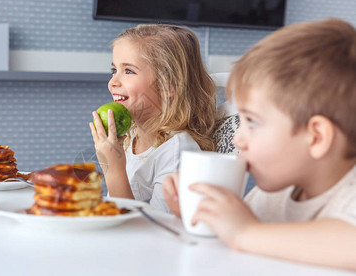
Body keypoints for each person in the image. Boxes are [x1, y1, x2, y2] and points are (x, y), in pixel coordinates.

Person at [162, 18, 356, 270]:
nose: (237, 138)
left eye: (251, 121)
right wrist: (199, 213)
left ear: (316, 137)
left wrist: (246, 232)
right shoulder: (270, 194)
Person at [90, 24, 217, 212]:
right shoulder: (130, 136)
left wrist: (114, 170)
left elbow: (155, 230)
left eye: (129, 71)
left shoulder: (177, 152)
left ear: (169, 86)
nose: (113, 82)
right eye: (114, 70)